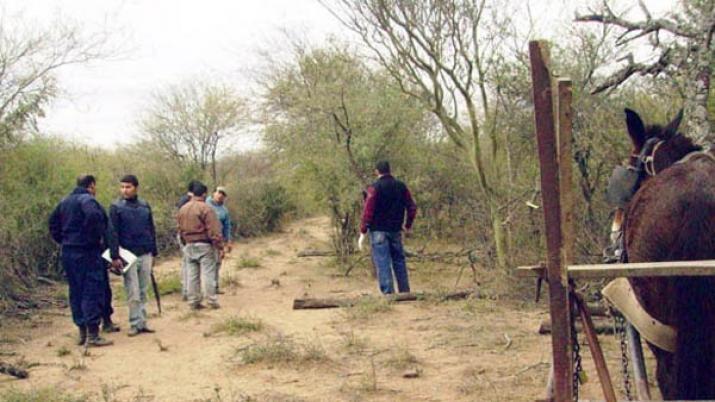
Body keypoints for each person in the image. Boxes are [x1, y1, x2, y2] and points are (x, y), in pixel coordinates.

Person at [48, 175, 114, 347]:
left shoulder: (64, 202)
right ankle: (93, 334)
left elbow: (52, 224)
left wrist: (63, 240)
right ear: (91, 185)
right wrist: (92, 238)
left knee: (76, 290)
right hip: (88, 252)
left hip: (69, 251)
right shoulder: (88, 201)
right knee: (92, 290)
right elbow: (94, 217)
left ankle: (82, 332)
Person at [108, 175, 158, 337]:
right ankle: (135, 323)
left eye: (128, 187)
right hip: (127, 255)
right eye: (122, 187)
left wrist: (154, 252)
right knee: (133, 291)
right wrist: (115, 256)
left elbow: (151, 229)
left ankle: (143, 322)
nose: (124, 190)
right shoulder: (116, 207)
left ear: (136, 187)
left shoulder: (145, 205)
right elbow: (112, 233)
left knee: (144, 290)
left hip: (145, 253)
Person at [359, 161, 417, 294]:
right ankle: (405, 291)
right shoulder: (401, 186)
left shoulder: (374, 188)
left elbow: (368, 210)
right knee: (399, 260)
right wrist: (408, 225)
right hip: (396, 229)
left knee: (382, 261)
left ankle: (388, 294)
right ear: (390, 170)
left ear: (377, 171)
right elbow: (412, 207)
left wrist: (363, 230)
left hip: (378, 230)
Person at [177, 182, 224, 309]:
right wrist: (219, 246)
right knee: (208, 273)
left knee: (192, 275)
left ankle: (193, 301)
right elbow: (213, 230)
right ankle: (211, 301)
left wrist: (184, 243)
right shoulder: (206, 209)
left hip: (189, 245)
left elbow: (179, 229)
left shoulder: (183, 209)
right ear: (204, 194)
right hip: (204, 245)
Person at [176, 180, 200, 300]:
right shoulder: (188, 201)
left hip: (184, 235)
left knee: (187, 263)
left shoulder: (183, 200)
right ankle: (187, 291)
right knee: (188, 263)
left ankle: (188, 290)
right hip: (186, 236)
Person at [206, 186, 232, 293]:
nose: (220, 195)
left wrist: (228, 241)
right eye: (219, 192)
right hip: (206, 239)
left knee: (217, 263)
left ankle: (215, 287)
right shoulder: (205, 205)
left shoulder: (224, 210)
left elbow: (227, 226)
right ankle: (206, 289)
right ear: (213, 193)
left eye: (223, 194)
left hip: (218, 240)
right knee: (207, 265)